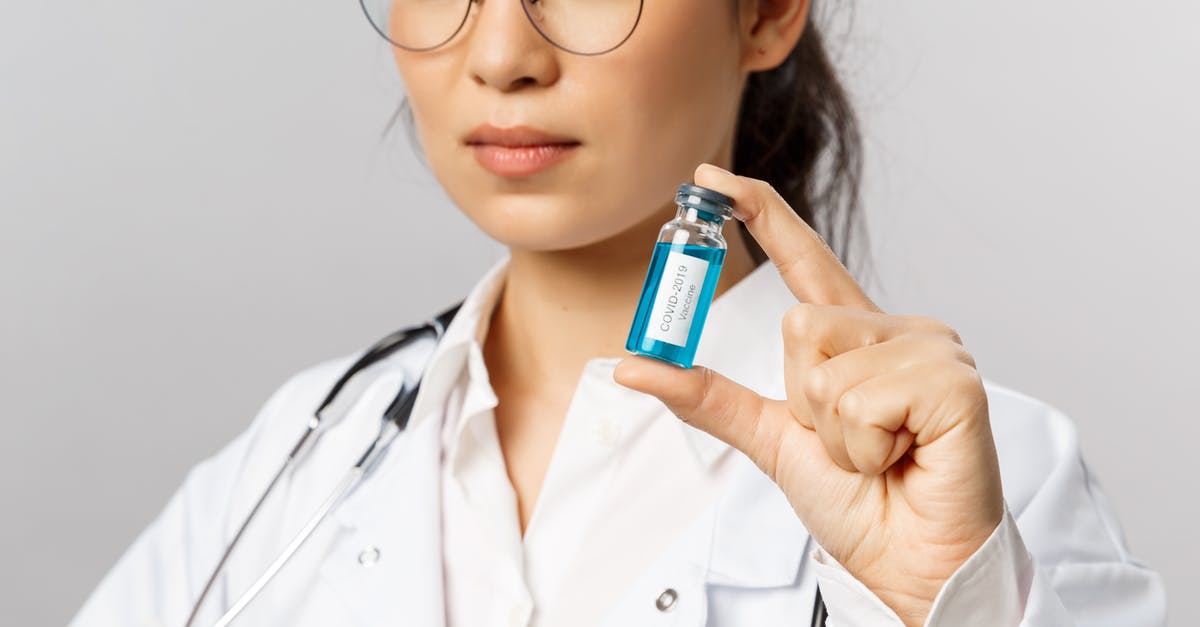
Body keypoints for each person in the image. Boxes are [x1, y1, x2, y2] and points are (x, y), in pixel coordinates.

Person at [69, 0, 1167, 625]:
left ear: (769, 12)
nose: (500, 54)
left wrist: (949, 604)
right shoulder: (309, 453)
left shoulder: (981, 490)